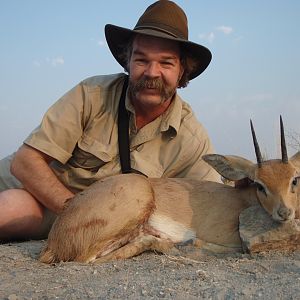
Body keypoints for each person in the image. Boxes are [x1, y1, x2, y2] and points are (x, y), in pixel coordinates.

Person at [0, 0, 219, 241]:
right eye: (141, 60)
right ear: (128, 61)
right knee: (10, 208)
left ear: (182, 71)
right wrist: (81, 214)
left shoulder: (192, 139)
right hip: (44, 192)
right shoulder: (91, 94)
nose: (151, 72)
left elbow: (213, 197)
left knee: (14, 208)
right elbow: (25, 162)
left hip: (67, 216)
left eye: (166, 62)